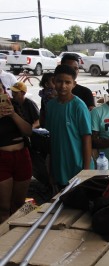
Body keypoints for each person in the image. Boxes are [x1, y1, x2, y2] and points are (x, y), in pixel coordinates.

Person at [45, 64, 93, 189]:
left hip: (78, 167)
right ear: (54, 81)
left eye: (67, 82)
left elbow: (87, 138)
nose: (63, 86)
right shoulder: (50, 106)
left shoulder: (79, 106)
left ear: (74, 84)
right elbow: (51, 138)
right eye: (60, 81)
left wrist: (86, 171)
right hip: (59, 166)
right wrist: (50, 170)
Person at [0, 78, 33, 223]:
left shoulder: (14, 105)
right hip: (2, 159)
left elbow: (28, 131)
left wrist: (13, 114)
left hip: (22, 156)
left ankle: (18, 238)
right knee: (3, 208)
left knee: (19, 205)